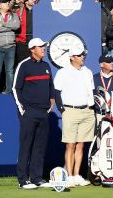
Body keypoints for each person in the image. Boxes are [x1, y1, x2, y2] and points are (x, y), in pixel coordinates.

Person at [11, 38, 55, 189]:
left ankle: (36, 177)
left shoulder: (46, 66)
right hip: (29, 112)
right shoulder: (24, 65)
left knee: (39, 147)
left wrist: (52, 99)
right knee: (26, 146)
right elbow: (15, 88)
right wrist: (22, 109)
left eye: (44, 46)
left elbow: (51, 86)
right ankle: (22, 180)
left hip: (44, 113)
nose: (44, 48)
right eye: (41, 46)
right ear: (32, 49)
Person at [52, 45, 96, 188]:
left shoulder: (87, 72)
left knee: (81, 145)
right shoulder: (63, 72)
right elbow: (56, 92)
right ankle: (69, 176)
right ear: (72, 57)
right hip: (70, 110)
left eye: (83, 55)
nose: (82, 57)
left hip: (87, 111)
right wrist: (62, 109)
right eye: (79, 55)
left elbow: (92, 91)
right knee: (70, 145)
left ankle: (77, 175)